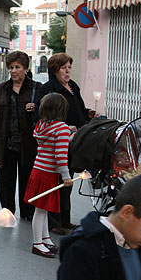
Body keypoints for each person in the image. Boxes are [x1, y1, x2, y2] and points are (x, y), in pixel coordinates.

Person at [0, 50, 42, 221]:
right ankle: (7, 212)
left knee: (27, 179)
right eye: (11, 67)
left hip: (28, 144)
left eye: (17, 67)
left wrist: (36, 107)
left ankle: (27, 212)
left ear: (26, 68)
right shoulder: (1, 89)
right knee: (6, 180)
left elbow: (47, 111)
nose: (14, 71)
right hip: (5, 143)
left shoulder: (36, 89)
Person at [41, 53, 91, 234]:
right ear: (55, 70)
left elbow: (79, 108)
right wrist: (63, 127)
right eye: (64, 68)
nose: (68, 70)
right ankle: (54, 222)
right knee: (58, 182)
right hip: (59, 139)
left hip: (75, 139)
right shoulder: (48, 89)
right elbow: (43, 117)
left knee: (67, 181)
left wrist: (88, 117)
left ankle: (65, 219)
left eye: (69, 67)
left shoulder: (72, 86)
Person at [24, 93, 72, 258]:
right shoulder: (62, 129)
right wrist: (66, 177)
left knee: (43, 209)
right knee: (41, 211)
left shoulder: (41, 126)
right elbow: (60, 156)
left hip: (38, 171)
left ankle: (45, 238)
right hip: (48, 174)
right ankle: (37, 243)